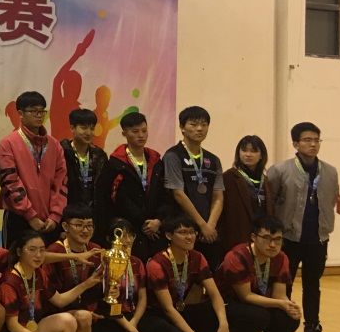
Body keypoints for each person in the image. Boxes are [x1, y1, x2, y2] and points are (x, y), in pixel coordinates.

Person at [266, 122, 340, 332]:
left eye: (317, 140)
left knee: (312, 285)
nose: (313, 144)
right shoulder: (279, 170)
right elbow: (270, 203)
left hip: (317, 239)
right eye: (307, 140)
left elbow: (330, 201)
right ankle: (282, 330)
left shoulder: (330, 171)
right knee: (283, 284)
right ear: (295, 144)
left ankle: (312, 330)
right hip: (288, 239)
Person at [86, 218, 170, 332]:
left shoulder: (137, 262)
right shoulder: (104, 261)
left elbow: (142, 298)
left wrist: (134, 323)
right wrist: (131, 329)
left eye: (131, 235)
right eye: (122, 236)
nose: (127, 240)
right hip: (109, 319)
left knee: (160, 327)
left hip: (130, 317)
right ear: (110, 239)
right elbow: (107, 304)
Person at [145, 216, 231, 332]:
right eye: (183, 232)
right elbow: (167, 308)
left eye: (192, 232)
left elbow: (215, 294)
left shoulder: (197, 257)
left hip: (179, 308)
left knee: (214, 312)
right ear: (169, 235)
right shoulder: (156, 264)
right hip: (157, 313)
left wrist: (224, 325)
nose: (190, 237)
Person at [212, 214, 301, 332]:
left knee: (290, 317)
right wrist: (280, 304)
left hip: (257, 303)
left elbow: (279, 295)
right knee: (258, 316)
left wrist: (289, 306)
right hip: (225, 304)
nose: (272, 245)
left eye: (278, 239)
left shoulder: (281, 258)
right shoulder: (237, 256)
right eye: (266, 238)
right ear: (253, 237)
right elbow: (245, 296)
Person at [0, 90, 67, 246]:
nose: (39, 116)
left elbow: (61, 181)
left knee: (50, 261)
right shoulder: (8, 144)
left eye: (42, 111)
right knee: (16, 260)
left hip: (50, 221)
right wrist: (30, 216)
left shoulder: (54, 144)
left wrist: (55, 216)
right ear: (20, 113)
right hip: (19, 217)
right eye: (34, 111)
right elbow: (10, 183)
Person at [40, 203, 101, 332]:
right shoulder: (54, 251)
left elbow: (99, 288)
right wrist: (85, 285)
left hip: (87, 315)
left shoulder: (96, 250)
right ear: (65, 226)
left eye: (89, 225)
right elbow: (53, 300)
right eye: (79, 225)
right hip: (54, 314)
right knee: (83, 317)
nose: (85, 230)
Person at [159, 106, 225, 269]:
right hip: (183, 229)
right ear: (182, 127)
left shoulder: (213, 160)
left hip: (209, 232)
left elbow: (218, 195)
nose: (199, 128)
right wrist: (202, 225)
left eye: (204, 124)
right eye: (193, 124)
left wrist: (210, 225)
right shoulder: (173, 156)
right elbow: (178, 194)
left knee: (208, 273)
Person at [93, 111, 165, 257]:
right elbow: (113, 197)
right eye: (135, 131)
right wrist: (142, 222)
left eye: (144, 131)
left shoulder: (156, 160)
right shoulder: (115, 164)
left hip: (155, 229)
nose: (141, 135)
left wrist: (158, 220)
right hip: (127, 227)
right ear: (124, 133)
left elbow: (165, 194)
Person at [221, 135, 273, 252]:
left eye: (253, 151)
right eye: (244, 150)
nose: (248, 154)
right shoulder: (229, 177)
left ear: (261, 155)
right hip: (237, 236)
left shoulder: (266, 181)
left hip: (262, 237)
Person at [61, 107, 107, 210]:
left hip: (93, 213)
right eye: (84, 128)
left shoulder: (100, 156)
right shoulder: (62, 152)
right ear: (72, 128)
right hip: (67, 210)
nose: (88, 133)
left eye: (92, 128)